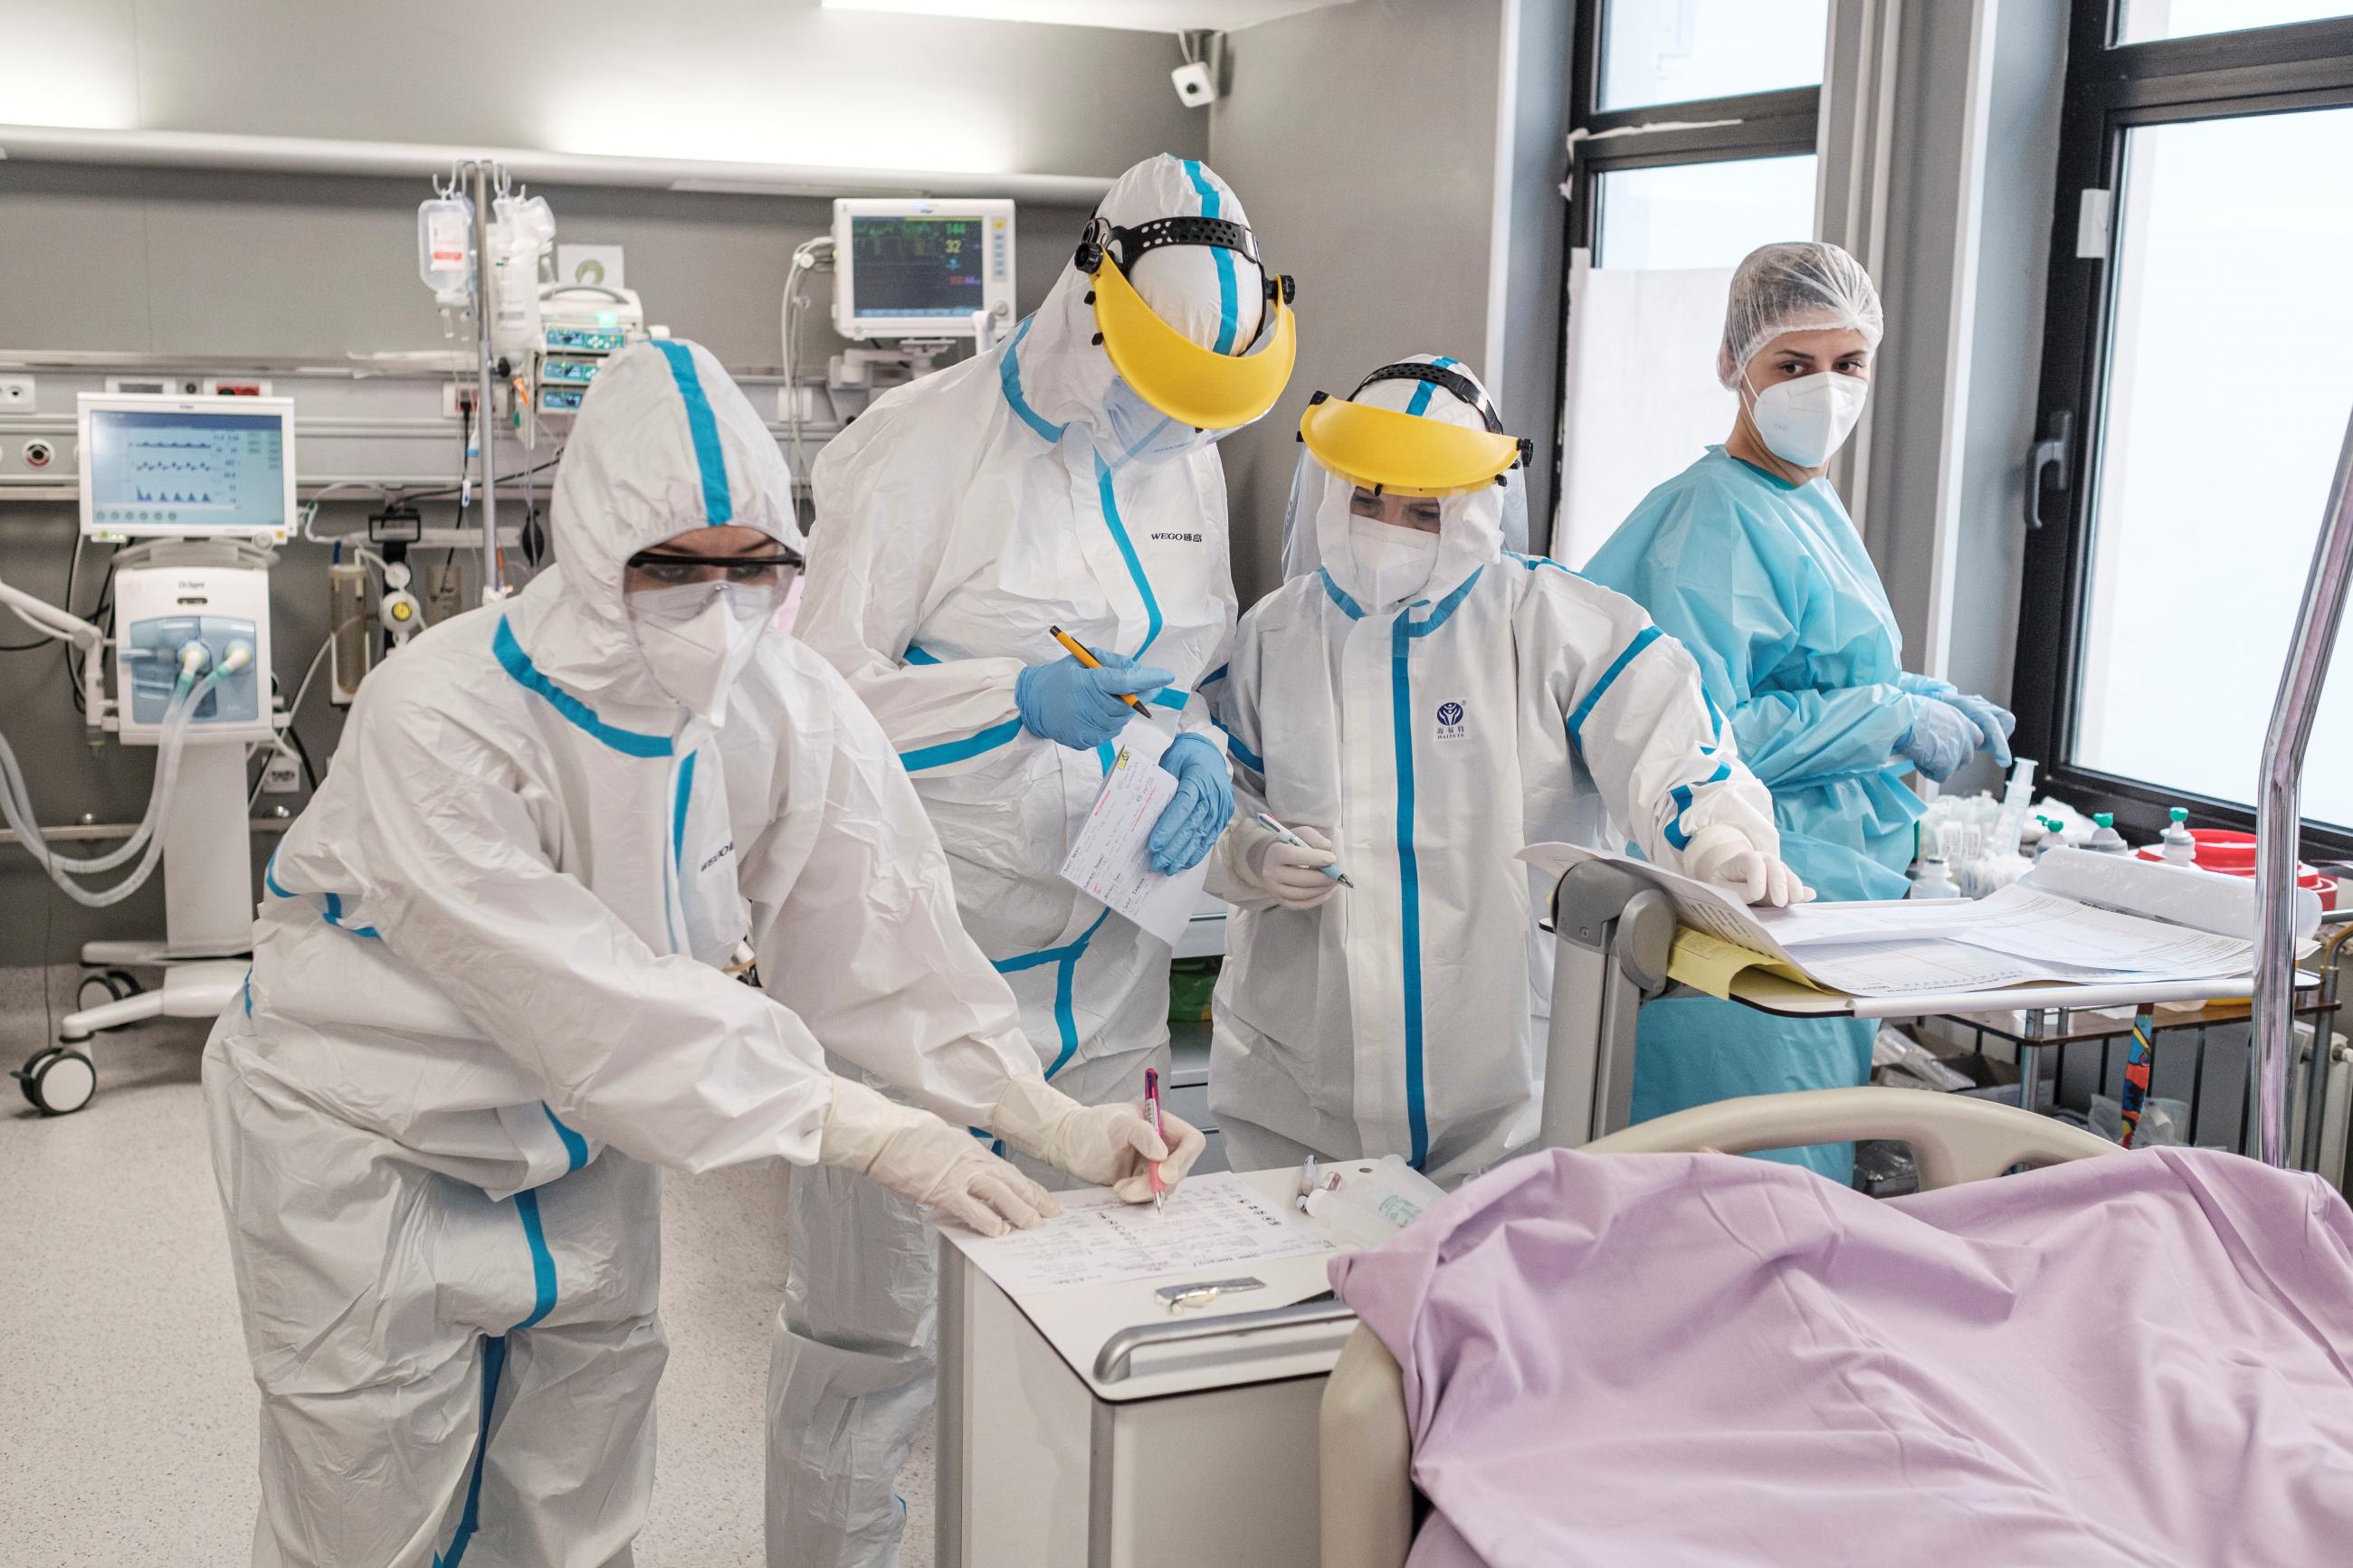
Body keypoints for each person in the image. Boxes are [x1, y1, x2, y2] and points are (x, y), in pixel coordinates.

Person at [201, 339, 1199, 1568]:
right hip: (362, 1143)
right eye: (673, 566)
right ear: (588, 542)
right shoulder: (445, 715)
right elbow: (582, 999)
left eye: (756, 567)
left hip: (587, 1141)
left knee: (576, 1501)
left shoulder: (781, 700)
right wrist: (870, 1128)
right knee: (367, 1512)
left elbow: (875, 930)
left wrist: (1038, 1113)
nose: (719, 607)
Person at [784, 151, 1282, 1566]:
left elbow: (1185, 666)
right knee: (873, 1351)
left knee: (1075, 1335)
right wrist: (1002, 697)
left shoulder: (1185, 442)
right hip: (919, 989)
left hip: (1105, 976)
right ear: (1088, 302)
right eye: (1151, 375)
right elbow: (806, 705)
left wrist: (1191, 741)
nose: (1166, 412)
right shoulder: (919, 448)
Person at [1206, 354, 1802, 1183]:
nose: (1389, 528)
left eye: (1424, 509)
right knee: (1297, 1303)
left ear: (1481, 507)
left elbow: (1671, 746)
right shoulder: (1276, 634)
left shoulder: (1553, 625)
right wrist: (1252, 854)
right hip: (1297, 1095)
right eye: (1369, 497)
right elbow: (1219, 791)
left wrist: (1718, 841)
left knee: (1481, 1301)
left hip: (1498, 1107)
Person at [1581, 241, 2015, 1182]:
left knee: (1796, 1195)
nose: (1823, 389)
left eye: (1846, 364)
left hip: (1823, 928)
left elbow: (1812, 670)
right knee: (1733, 1197)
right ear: (1733, 364)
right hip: (1741, 925)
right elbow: (1693, 741)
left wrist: (1911, 696)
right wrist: (1883, 718)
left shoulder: (1802, 501)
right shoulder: (1707, 516)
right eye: (1791, 364)